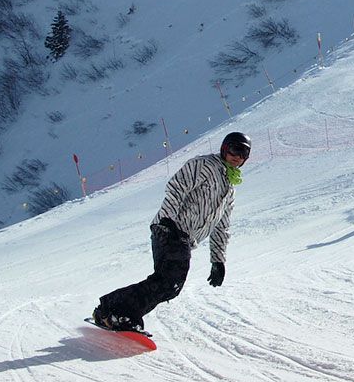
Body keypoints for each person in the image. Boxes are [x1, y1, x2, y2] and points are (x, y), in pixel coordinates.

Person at [93, 131, 250, 332]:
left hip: (183, 239)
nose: (238, 156)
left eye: (244, 153)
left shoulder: (230, 187)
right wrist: (168, 221)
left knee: (168, 285)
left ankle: (114, 311)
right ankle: (115, 311)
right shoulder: (204, 165)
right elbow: (177, 187)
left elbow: (221, 226)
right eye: (235, 150)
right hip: (170, 229)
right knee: (169, 281)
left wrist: (218, 261)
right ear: (225, 148)